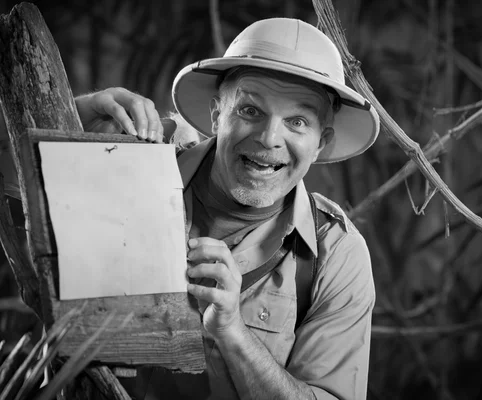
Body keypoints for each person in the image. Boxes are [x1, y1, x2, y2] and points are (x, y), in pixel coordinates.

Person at [75, 17, 380, 400]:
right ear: (218, 114)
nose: (270, 138)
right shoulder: (135, 166)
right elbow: (8, 181)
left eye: (298, 121)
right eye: (250, 110)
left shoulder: (336, 255)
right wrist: (71, 119)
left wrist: (233, 331)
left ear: (321, 142)